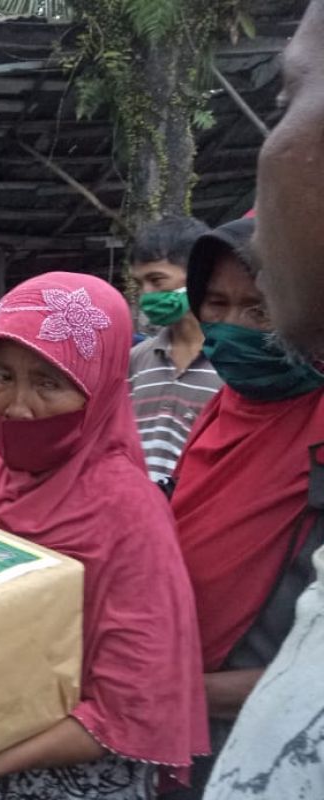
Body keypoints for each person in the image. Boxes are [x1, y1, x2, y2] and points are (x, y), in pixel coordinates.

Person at [0, 273, 207, 799]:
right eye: (1, 376)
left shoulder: (128, 512)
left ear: (98, 391)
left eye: (50, 383)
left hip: (63, 775)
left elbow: (127, 702)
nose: (17, 407)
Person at [160, 216, 324, 799]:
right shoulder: (223, 406)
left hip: (267, 749)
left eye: (259, 310)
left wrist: (180, 690)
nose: (230, 330)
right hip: (172, 729)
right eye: (216, 304)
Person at [204, 5, 324, 795]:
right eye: (215, 307)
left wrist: (168, 689)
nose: (269, 146)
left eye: (287, 98)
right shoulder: (213, 414)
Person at [127, 216, 221, 484]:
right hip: (137, 512)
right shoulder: (138, 359)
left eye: (156, 280)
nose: (146, 294)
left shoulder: (231, 363)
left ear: (199, 275)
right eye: (140, 284)